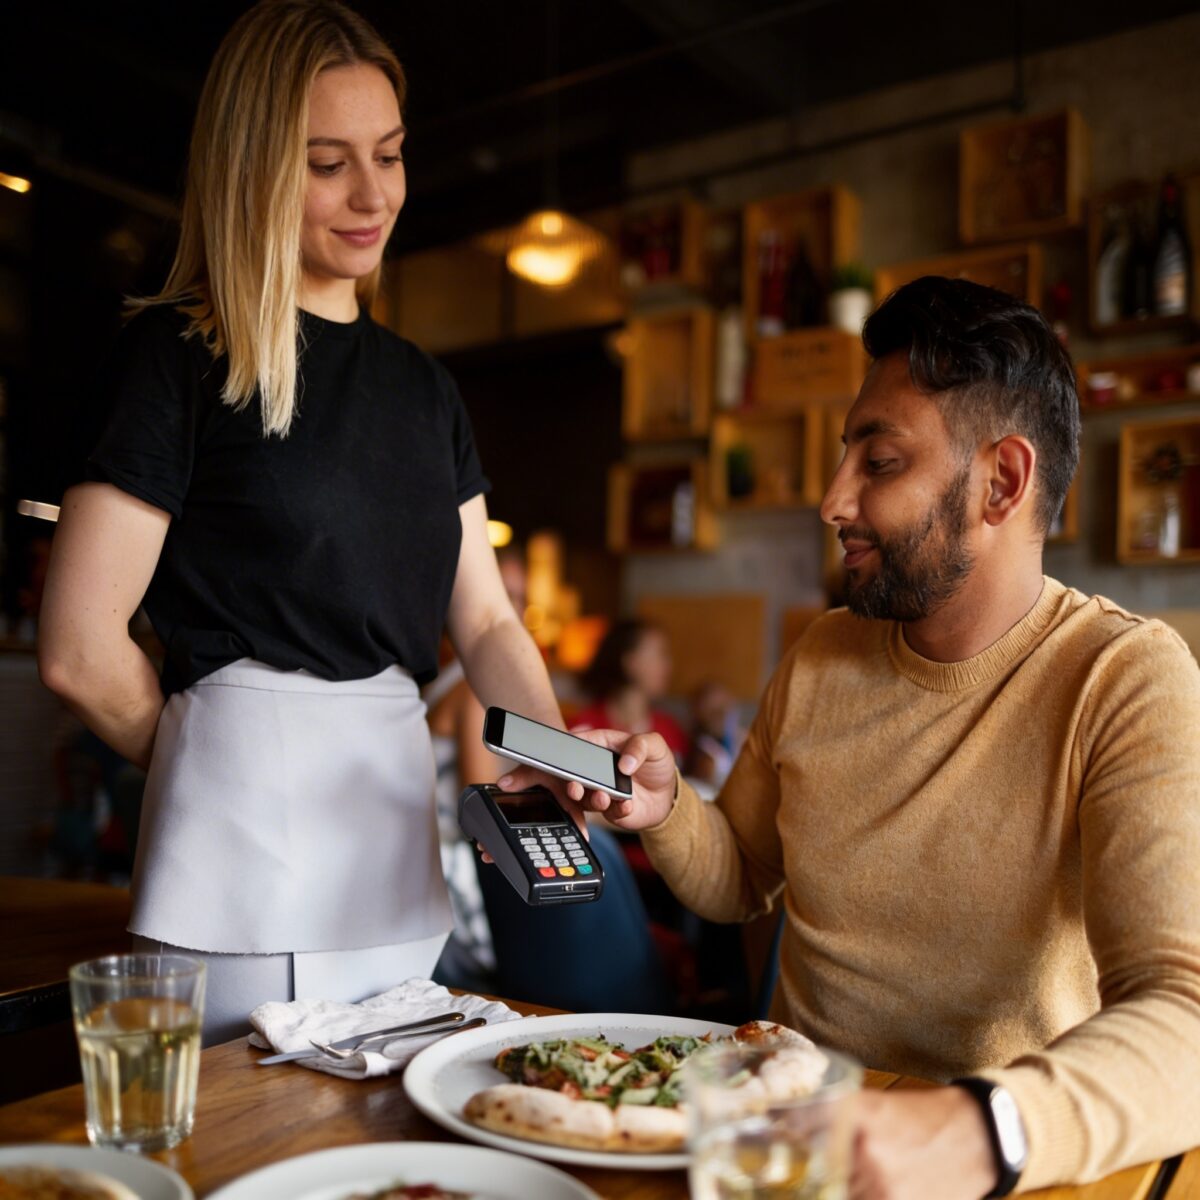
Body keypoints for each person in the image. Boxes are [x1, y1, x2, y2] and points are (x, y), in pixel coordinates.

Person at [499, 277, 1200, 1196]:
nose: (832, 502)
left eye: (878, 463)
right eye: (844, 459)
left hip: (998, 1162)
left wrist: (972, 1132)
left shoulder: (1124, 678)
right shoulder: (823, 653)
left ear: (1003, 482)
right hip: (787, 1151)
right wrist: (667, 809)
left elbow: (1184, 1014)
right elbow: (742, 876)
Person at [37, 0, 566, 1044]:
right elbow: (80, 650)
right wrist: (218, 759)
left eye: (390, 154)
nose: (373, 195)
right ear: (253, 169)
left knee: (379, 1152)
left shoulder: (425, 391)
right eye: (328, 163)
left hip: (389, 832)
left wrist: (555, 763)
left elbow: (490, 625)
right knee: (246, 1151)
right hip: (239, 859)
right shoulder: (179, 358)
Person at [569, 618, 689, 765]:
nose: (668, 665)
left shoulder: (670, 730)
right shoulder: (584, 728)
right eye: (661, 654)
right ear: (630, 662)